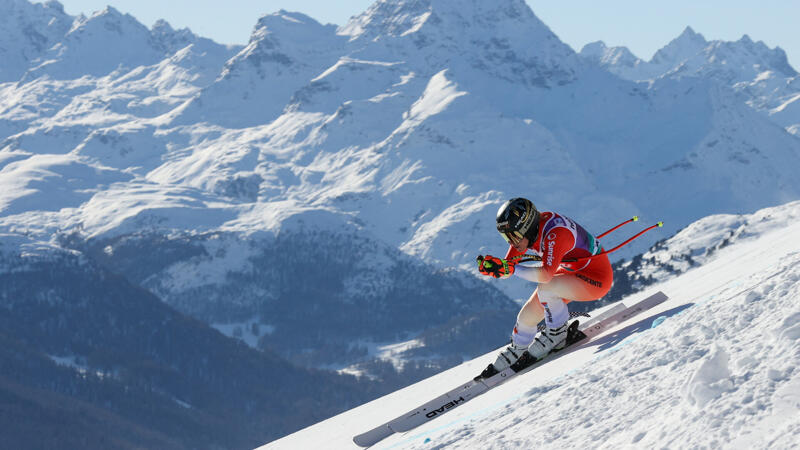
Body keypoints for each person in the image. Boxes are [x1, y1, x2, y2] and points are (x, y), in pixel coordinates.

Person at [477, 197, 613, 374]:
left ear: (526, 227)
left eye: (513, 235)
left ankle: (557, 334)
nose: (511, 242)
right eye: (505, 237)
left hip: (596, 280)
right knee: (526, 317)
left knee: (546, 287)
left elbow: (545, 274)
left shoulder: (556, 233)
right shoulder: (526, 234)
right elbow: (509, 267)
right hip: (570, 275)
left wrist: (510, 268)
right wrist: (496, 268)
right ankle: (517, 348)